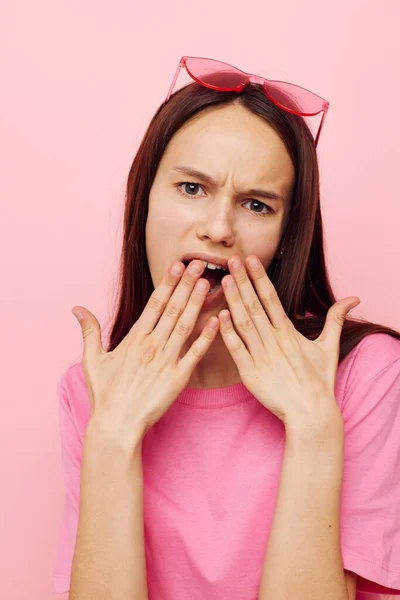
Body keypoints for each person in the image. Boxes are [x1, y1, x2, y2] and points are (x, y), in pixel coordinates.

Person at [52, 57, 400, 599]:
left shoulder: (364, 375)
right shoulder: (93, 388)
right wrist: (113, 437)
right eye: (192, 188)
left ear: (288, 235)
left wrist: (313, 427)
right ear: (144, 199)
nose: (218, 229)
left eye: (256, 204)